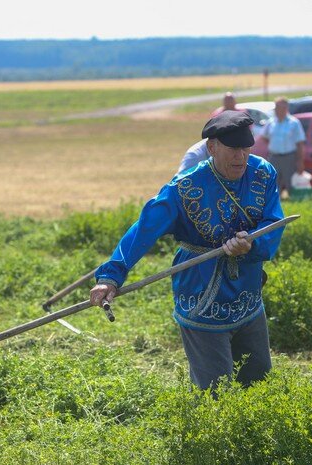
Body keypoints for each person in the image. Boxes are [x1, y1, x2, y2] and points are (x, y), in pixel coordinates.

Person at [90, 110, 285, 391]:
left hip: (248, 293)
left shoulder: (263, 173)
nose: (241, 157)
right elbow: (144, 229)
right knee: (215, 390)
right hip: (201, 292)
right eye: (232, 149)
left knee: (258, 382)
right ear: (212, 147)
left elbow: (273, 221)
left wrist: (252, 244)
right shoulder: (184, 187)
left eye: (246, 148)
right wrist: (111, 276)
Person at [260, 97, 306, 198]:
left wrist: (300, 161)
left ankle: (296, 205)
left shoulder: (294, 123)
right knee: (273, 184)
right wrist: (274, 146)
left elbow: (300, 144)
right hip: (274, 158)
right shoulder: (271, 122)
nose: (276, 110)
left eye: (278, 107)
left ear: (285, 108)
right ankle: (274, 208)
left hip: (289, 158)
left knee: (291, 184)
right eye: (276, 107)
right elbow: (264, 137)